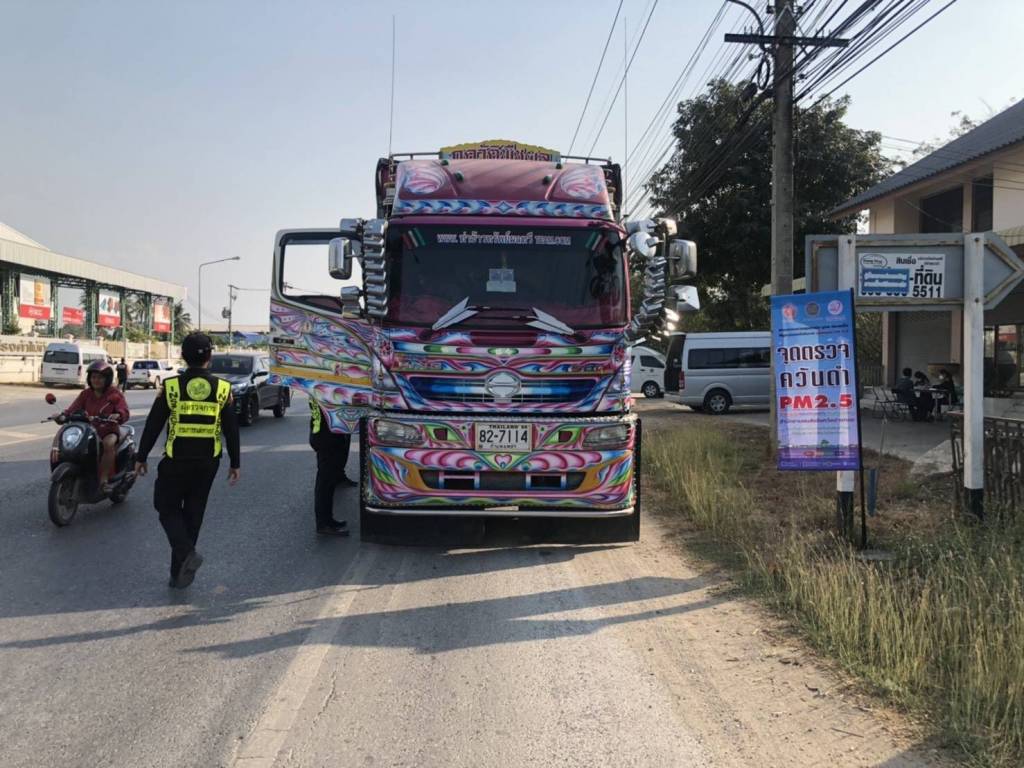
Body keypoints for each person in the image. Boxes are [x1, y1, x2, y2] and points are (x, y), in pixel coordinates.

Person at [134, 332, 240, 588]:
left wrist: (141, 456)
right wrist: (235, 463)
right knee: (193, 514)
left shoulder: (171, 386)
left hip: (176, 460)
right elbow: (231, 429)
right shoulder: (223, 388)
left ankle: (186, 555)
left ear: (182, 356)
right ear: (210, 357)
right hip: (208, 463)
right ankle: (178, 574)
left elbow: (154, 424)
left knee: (165, 507)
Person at [60, 360, 130, 491]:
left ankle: (103, 480)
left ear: (107, 379)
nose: (96, 380)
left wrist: (118, 415)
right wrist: (63, 415)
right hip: (87, 429)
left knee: (108, 444)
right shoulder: (86, 394)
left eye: (100, 377)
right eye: (93, 377)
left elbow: (124, 410)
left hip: (107, 429)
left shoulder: (114, 394)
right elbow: (73, 408)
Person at [309, 398, 357, 536]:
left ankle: (328, 519)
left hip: (325, 436)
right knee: (325, 483)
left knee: (329, 482)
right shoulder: (322, 393)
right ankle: (323, 524)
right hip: (326, 438)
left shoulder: (318, 391)